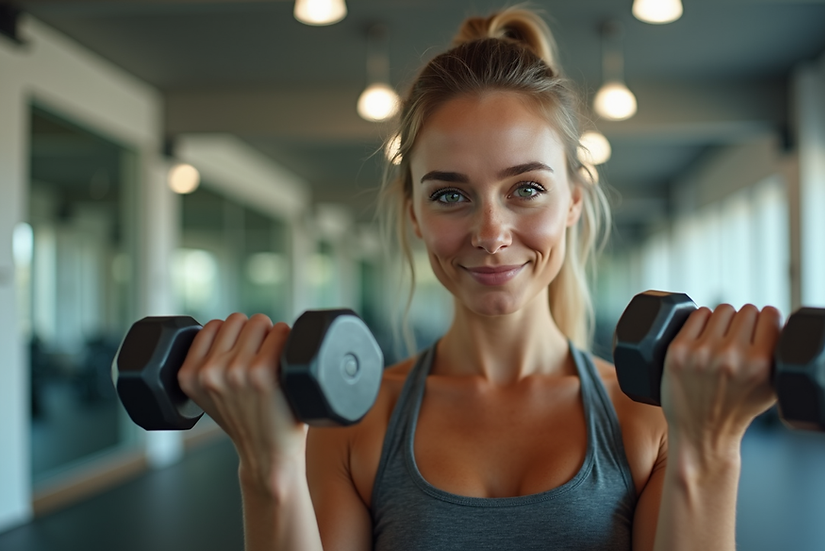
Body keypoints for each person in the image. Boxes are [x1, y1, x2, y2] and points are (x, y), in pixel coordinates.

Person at [176, 7, 782, 551]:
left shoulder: (647, 417)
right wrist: (267, 468)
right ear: (413, 211)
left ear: (573, 199)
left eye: (526, 188)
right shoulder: (355, 424)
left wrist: (709, 452)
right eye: (449, 193)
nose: (490, 233)